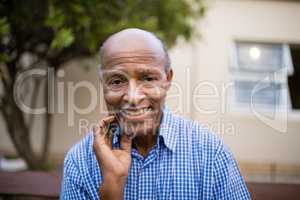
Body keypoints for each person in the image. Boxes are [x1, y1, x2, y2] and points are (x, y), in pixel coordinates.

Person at [60, 28, 251, 200]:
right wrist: (113, 187)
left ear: (167, 80)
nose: (133, 97)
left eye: (148, 78)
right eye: (117, 81)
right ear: (103, 84)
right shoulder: (80, 160)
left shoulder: (210, 153)